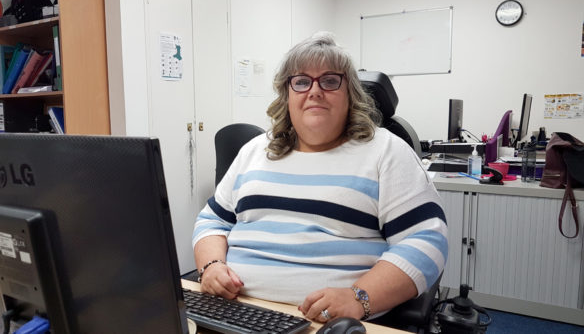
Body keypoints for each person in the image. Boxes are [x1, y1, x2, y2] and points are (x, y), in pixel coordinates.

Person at [192, 32, 448, 323]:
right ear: (287, 95)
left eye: (329, 81)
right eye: (301, 82)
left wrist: (358, 297)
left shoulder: (385, 152)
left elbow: (427, 241)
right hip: (233, 311)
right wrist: (211, 266)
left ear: (350, 94)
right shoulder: (254, 151)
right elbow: (212, 220)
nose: (314, 91)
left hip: (331, 324)